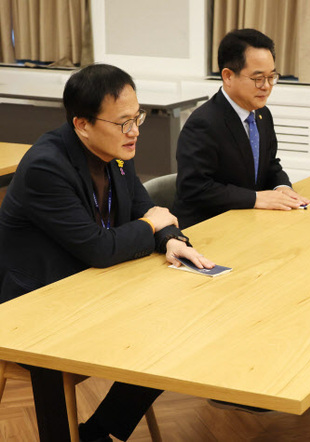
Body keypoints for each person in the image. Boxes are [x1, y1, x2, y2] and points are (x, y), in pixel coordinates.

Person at [0, 63, 214, 441]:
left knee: (177, 330)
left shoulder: (114, 151)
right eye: (122, 123)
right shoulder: (46, 167)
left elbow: (144, 209)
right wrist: (151, 227)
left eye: (138, 118)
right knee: (161, 335)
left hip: (91, 288)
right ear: (82, 124)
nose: (134, 132)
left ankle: (98, 432)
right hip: (35, 309)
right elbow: (100, 247)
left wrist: (170, 240)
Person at [173, 28, 310, 228]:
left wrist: (282, 187)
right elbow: (195, 188)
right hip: (206, 226)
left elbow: (270, 165)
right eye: (258, 78)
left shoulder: (262, 114)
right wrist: (256, 198)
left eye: (271, 76)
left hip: (246, 220)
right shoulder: (203, 123)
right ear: (228, 76)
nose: (266, 86)